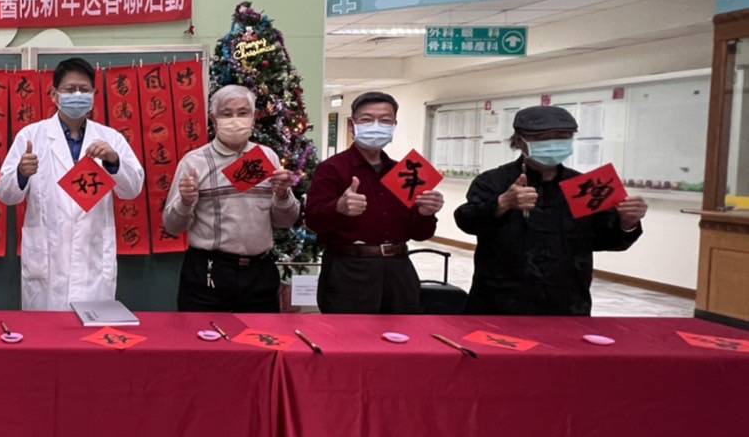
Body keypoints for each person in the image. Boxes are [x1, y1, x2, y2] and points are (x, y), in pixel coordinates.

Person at [455, 105, 647, 315]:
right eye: (543, 138)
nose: (553, 143)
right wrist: (502, 203)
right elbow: (467, 220)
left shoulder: (584, 186)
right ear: (519, 141)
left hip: (567, 302)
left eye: (563, 137)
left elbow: (603, 239)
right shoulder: (493, 181)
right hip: (500, 301)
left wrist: (627, 223)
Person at [0, 58, 145, 311]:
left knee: (92, 332)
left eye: (84, 90)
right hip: (47, 265)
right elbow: (5, 194)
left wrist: (113, 161)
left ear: (94, 95)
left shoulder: (110, 138)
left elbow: (132, 189)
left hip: (93, 264)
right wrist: (21, 174)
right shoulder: (31, 136)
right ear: (54, 94)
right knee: (46, 333)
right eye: (70, 89)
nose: (77, 95)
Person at [163, 84, 300, 313]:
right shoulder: (194, 162)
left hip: (259, 272)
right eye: (227, 114)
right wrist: (185, 202)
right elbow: (171, 226)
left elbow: (285, 221)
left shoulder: (267, 157)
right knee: (203, 333)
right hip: (209, 270)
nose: (235, 120)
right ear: (213, 119)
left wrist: (283, 194)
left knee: (260, 334)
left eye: (243, 113)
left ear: (253, 117)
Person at [305, 90, 445, 313]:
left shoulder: (406, 172)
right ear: (352, 126)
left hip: (399, 269)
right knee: (350, 333)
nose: (376, 126)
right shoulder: (332, 168)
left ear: (394, 125)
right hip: (350, 270)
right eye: (367, 119)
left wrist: (425, 214)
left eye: (385, 120)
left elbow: (420, 233)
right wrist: (338, 207)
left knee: (402, 331)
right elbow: (313, 220)